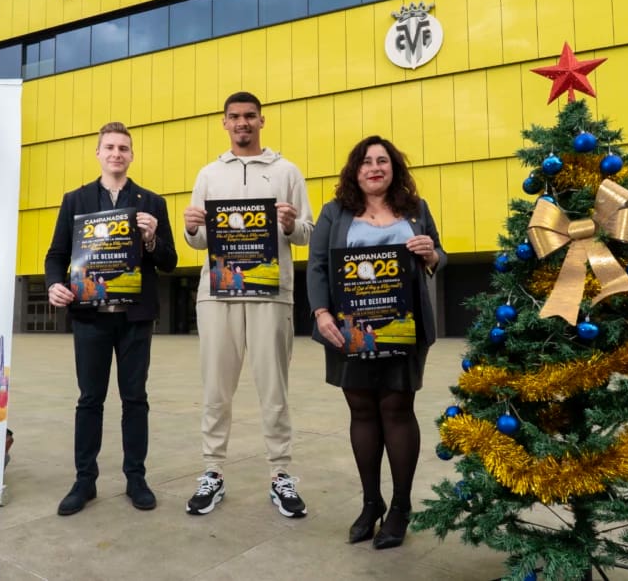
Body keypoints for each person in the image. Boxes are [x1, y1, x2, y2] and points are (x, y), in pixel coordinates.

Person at [306, 135, 446, 549]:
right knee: (362, 410)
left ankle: (401, 507)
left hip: (405, 328)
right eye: (366, 162)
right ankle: (371, 504)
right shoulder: (335, 212)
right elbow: (317, 266)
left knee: (398, 409)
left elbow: (440, 253)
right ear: (355, 170)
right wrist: (321, 312)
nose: (374, 167)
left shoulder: (416, 210)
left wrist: (432, 254)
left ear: (394, 168)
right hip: (349, 330)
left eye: (382, 161)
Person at [182, 91, 314, 518]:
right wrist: (190, 230)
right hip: (216, 294)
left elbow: (307, 233)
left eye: (250, 117)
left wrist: (292, 225)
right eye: (234, 117)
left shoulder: (286, 170)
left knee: (273, 390)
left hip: (271, 294)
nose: (242, 123)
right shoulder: (208, 175)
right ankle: (212, 471)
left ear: (262, 121)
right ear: (224, 123)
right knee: (215, 390)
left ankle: (280, 474)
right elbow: (201, 241)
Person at [44, 121, 178, 516]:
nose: (116, 153)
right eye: (110, 147)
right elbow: (56, 255)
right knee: (90, 400)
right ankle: (85, 481)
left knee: (135, 399)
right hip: (90, 318)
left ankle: (136, 478)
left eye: (123, 148)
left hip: (135, 318)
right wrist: (54, 284)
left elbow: (169, 262)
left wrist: (152, 239)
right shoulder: (76, 200)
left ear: (131, 155)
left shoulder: (151, 202)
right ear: (98, 153)